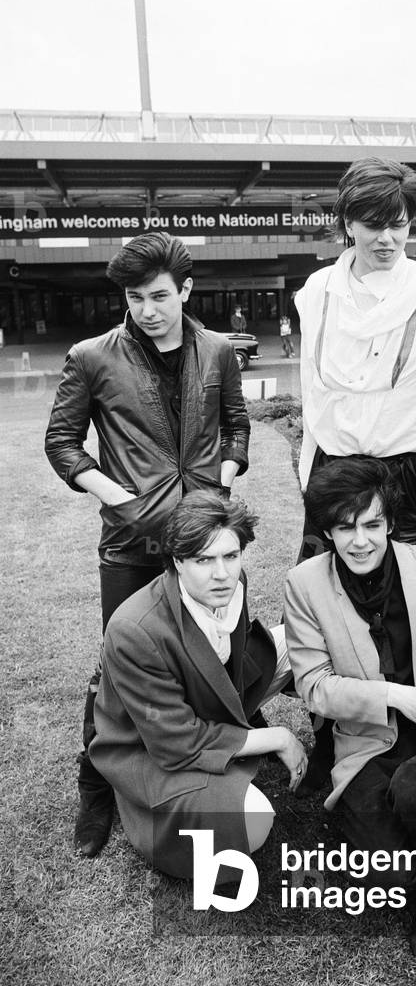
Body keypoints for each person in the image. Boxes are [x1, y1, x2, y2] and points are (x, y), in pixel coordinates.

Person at [45, 232, 251, 859]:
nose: (147, 309)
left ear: (186, 290)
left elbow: (237, 425)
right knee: (117, 666)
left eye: (160, 296)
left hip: (203, 536)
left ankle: (196, 764)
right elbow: (62, 442)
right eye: (135, 298)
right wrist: (118, 496)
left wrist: (226, 474)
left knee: (210, 657)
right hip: (131, 543)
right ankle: (97, 787)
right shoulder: (91, 356)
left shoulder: (218, 350)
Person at [284, 457, 416, 957]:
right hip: (366, 743)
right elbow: (313, 685)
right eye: (345, 527)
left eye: (372, 525)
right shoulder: (304, 584)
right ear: (328, 530)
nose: (360, 541)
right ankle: (402, 837)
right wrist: (393, 696)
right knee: (390, 871)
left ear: (390, 524)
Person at [89, 491, 306, 882]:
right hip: (154, 750)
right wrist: (278, 737)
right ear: (177, 561)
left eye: (230, 555)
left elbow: (228, 660)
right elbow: (177, 743)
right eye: (203, 559)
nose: (221, 573)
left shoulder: (232, 583)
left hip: (213, 701)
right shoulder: (134, 630)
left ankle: (339, 759)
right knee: (253, 823)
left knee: (306, 640)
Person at [294, 156, 416, 559]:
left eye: (398, 225)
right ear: (348, 223)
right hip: (334, 472)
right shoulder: (318, 291)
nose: (386, 238)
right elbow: (312, 389)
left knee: (414, 604)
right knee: (325, 603)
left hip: (409, 474)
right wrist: (310, 469)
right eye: (373, 225)